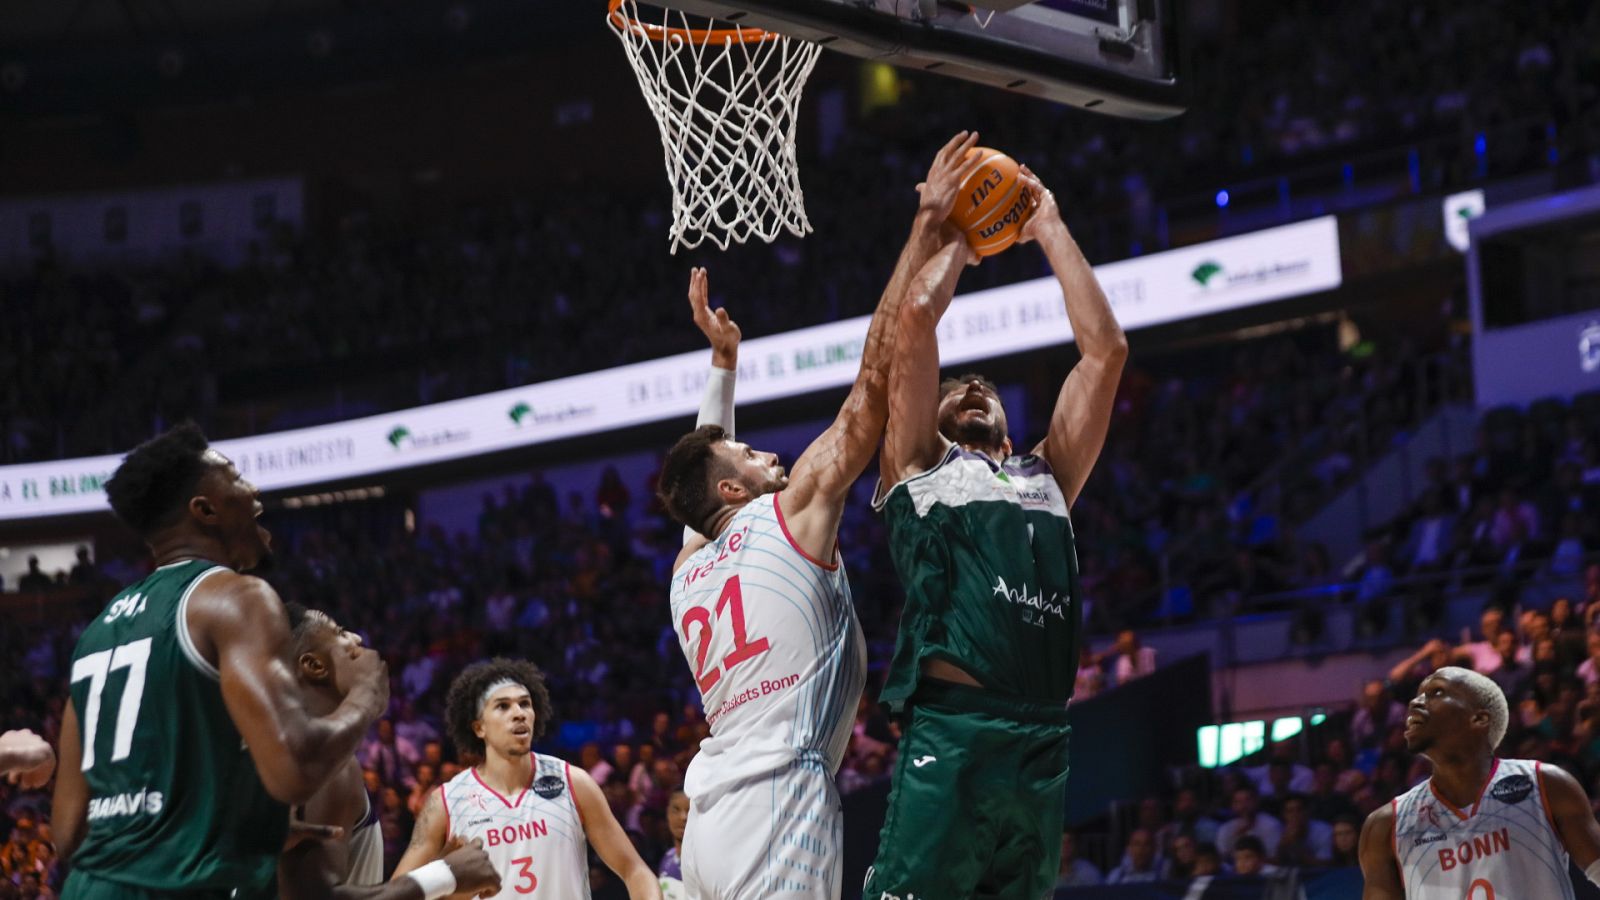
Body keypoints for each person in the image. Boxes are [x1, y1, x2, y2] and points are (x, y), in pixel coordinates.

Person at [656, 132, 985, 900]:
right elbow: (873, 383)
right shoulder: (790, 510)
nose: (765, 453)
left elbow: (693, 496)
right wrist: (925, 228)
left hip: (709, 819)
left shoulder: (688, 570)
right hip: (777, 798)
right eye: (744, 454)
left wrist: (724, 366)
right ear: (732, 493)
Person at [864, 160, 1127, 900]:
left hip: (1043, 740)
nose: (973, 387)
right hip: (954, 733)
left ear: (1011, 437)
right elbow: (915, 317)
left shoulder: (1048, 477)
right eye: (957, 390)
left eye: (986, 390)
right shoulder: (917, 465)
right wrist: (967, 243)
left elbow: (1106, 355)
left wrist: (1046, 225)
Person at [51, 423, 390, 899]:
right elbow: (295, 766)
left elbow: (67, 833)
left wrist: (211, 831)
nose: (253, 491)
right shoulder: (235, 598)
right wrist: (366, 694)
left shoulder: (97, 632)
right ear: (205, 510)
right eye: (236, 478)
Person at [273, 604, 501, 899]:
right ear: (315, 666)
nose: (356, 638)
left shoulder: (285, 747)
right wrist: (446, 876)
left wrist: (435, 879)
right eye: (339, 632)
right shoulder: (326, 765)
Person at [393, 659, 659, 900]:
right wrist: (445, 885)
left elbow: (634, 869)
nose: (519, 713)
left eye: (525, 703)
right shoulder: (446, 802)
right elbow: (397, 893)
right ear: (479, 727)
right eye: (503, 706)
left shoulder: (573, 782)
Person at [1360, 667, 1600, 898]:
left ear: (1479, 718)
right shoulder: (1386, 825)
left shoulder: (1545, 784)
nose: (1416, 703)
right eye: (1417, 695)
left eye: (1437, 693)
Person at [659, 791, 689, 900]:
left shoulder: (706, 863)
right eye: (676, 810)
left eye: (689, 810)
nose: (683, 817)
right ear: (667, 814)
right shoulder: (667, 857)